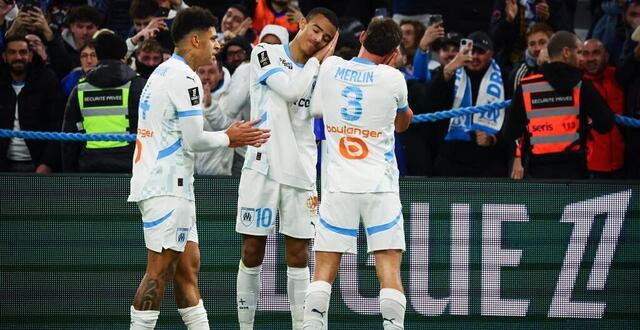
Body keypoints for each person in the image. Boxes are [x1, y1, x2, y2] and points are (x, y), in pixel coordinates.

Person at [127, 7, 269, 329]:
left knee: (188, 270)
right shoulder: (185, 77)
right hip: (166, 186)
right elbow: (193, 139)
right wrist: (230, 137)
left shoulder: (162, 73)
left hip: (170, 183)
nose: (216, 45)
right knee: (158, 271)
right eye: (211, 38)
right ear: (195, 40)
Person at [303, 17, 413, 330]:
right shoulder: (393, 79)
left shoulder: (330, 67)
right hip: (380, 185)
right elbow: (402, 123)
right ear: (393, 53)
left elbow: (319, 110)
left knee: (323, 270)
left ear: (363, 36)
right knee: (388, 270)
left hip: (339, 185)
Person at [235, 7, 338, 330]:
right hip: (262, 167)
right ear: (303, 23)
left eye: (326, 36)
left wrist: (325, 67)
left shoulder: (322, 71)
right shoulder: (265, 53)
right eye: (316, 29)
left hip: (301, 171)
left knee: (298, 256)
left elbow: (321, 109)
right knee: (252, 251)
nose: (318, 38)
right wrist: (317, 63)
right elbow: (291, 90)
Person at [498, 31, 615, 179]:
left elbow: (509, 133)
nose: (581, 58)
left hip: (537, 174)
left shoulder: (526, 86)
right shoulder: (582, 86)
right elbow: (605, 124)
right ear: (566, 52)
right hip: (574, 174)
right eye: (578, 52)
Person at [61, 31, 146, 173]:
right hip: (131, 169)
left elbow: (68, 140)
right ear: (124, 56)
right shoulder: (139, 86)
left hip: (89, 168)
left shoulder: (80, 89)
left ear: (98, 55)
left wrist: (70, 176)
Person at [429, 31, 510, 177]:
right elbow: (431, 102)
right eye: (471, 51)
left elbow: (511, 119)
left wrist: (493, 139)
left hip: (488, 162)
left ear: (490, 54)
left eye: (480, 52)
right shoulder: (451, 73)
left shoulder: (504, 79)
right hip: (450, 160)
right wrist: (448, 70)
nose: (474, 57)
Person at [0, 35, 65, 172]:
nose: (18, 57)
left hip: (38, 165)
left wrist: (47, 164)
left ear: (30, 56)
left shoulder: (47, 80)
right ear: (4, 57)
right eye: (12, 52)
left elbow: (57, 124)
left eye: (23, 52)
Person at [581, 38, 625, 179]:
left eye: (595, 53)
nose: (590, 58)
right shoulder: (576, 82)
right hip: (590, 167)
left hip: (623, 162)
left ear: (606, 56)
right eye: (585, 53)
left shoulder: (619, 77)